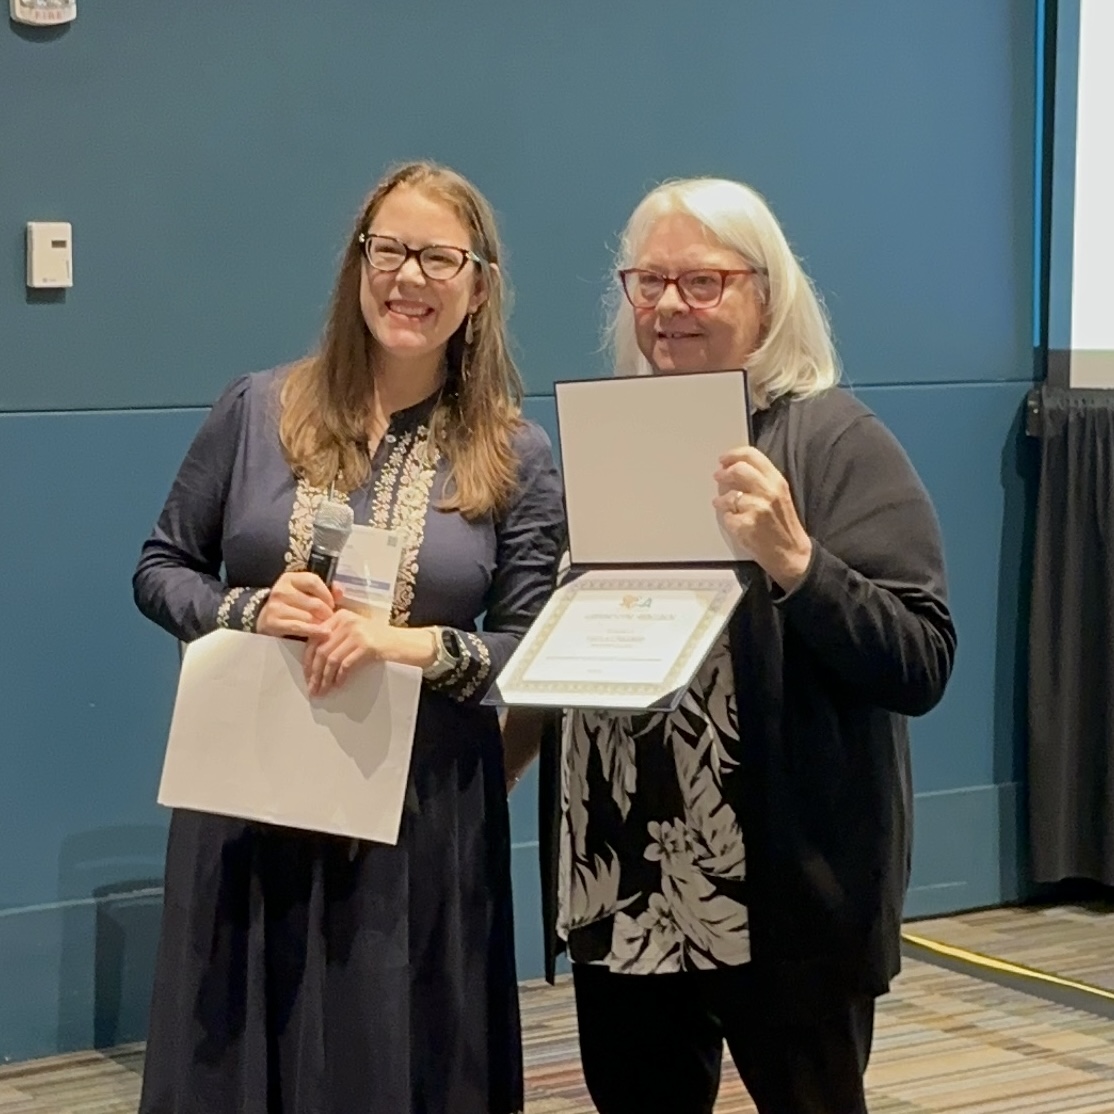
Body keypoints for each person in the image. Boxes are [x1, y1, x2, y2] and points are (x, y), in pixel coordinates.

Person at [133, 160, 565, 1114]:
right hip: (246, 795)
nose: (409, 278)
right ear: (356, 263)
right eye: (389, 250)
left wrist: (409, 645)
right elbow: (161, 568)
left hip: (418, 820)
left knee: (392, 1062)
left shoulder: (517, 455)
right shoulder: (255, 409)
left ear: (479, 285)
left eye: (438, 257)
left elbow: (536, 644)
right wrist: (243, 610)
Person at [539, 178, 957, 1114]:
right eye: (649, 283)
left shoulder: (836, 439)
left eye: (703, 282)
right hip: (625, 888)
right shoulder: (613, 438)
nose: (669, 307)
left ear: (766, 296)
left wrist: (799, 563)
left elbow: (922, 657)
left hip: (780, 901)